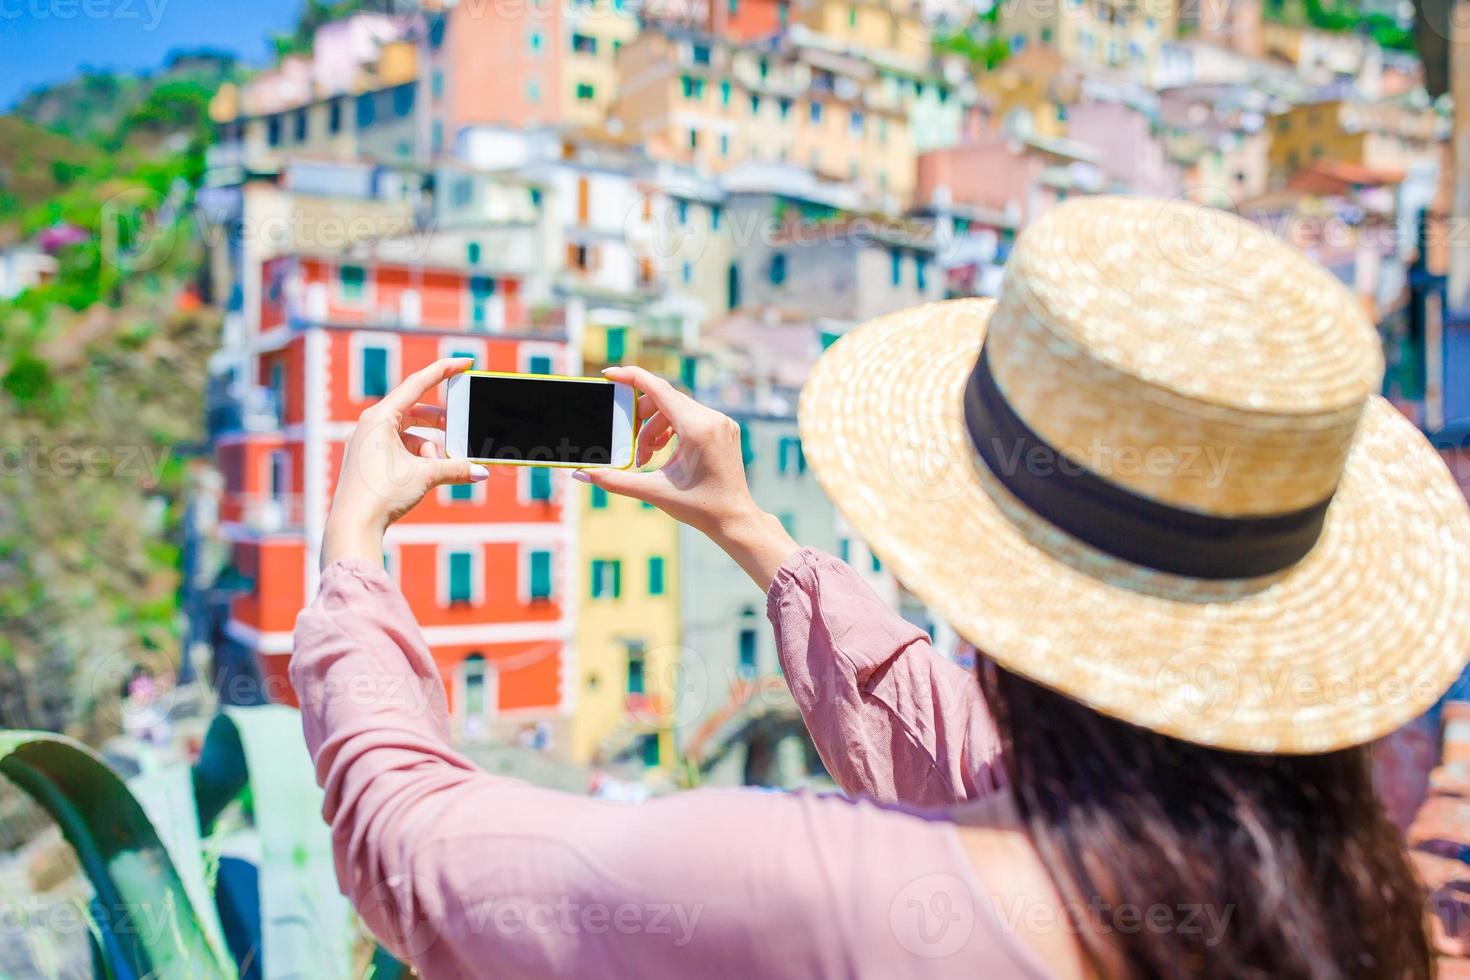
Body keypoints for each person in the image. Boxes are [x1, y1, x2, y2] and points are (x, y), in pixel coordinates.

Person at [292, 197, 1470, 979]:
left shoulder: (812, 887)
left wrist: (354, 551)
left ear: (982, 546)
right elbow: (966, 753)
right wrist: (756, 533)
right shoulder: (1344, 900)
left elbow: (413, 851)